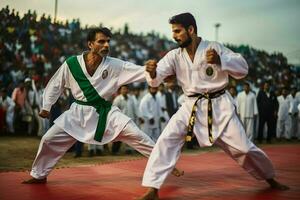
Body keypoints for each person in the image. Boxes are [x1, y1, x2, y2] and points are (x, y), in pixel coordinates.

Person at [138, 13, 288, 200]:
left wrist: (220, 60)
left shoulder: (213, 48)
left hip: (219, 106)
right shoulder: (174, 56)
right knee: (166, 140)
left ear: (190, 30)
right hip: (190, 105)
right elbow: (155, 79)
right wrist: (152, 73)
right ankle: (153, 188)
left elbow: (243, 69)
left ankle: (270, 178)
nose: (174, 36)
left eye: (178, 31)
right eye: (173, 32)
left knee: (244, 149)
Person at [22, 27, 182, 184]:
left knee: (138, 135)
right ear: (90, 44)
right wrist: (46, 106)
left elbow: (141, 72)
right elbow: (56, 84)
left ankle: (166, 164)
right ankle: (39, 175)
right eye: (101, 41)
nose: (106, 45)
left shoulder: (115, 65)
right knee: (48, 139)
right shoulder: (71, 64)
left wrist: (156, 73)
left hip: (105, 113)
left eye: (108, 42)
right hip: (77, 114)